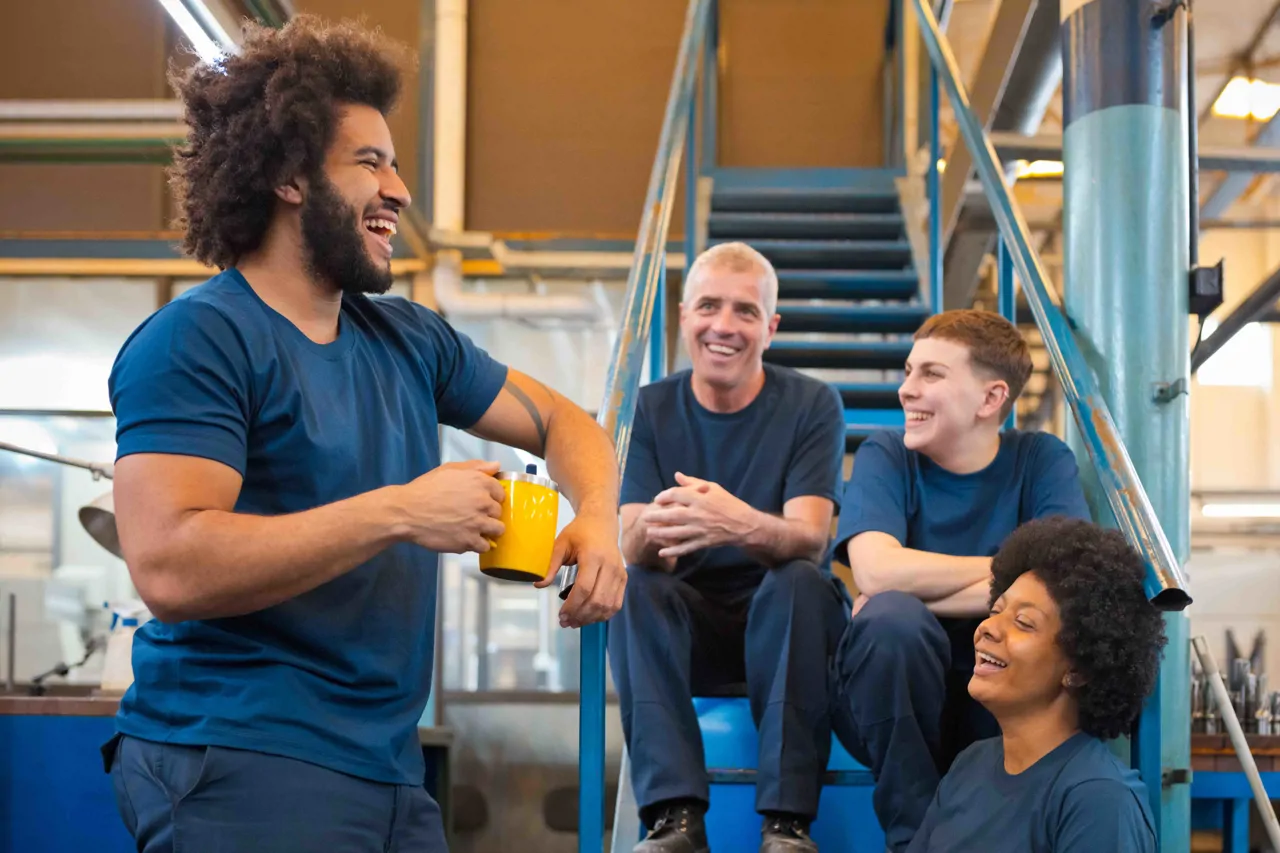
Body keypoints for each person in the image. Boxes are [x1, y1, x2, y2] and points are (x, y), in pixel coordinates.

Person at [102, 17, 625, 853]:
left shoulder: (410, 342)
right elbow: (169, 564)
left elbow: (570, 423)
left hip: (385, 766)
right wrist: (396, 513)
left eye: (395, 162)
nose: (400, 189)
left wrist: (598, 514)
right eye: (369, 162)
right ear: (288, 177)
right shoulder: (197, 341)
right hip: (240, 752)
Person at [609, 241, 850, 853]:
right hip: (689, 631)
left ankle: (786, 826)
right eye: (709, 306)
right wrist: (661, 525)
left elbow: (813, 538)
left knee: (800, 580)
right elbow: (631, 541)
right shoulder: (650, 408)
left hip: (787, 633)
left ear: (770, 329)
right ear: (684, 315)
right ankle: (675, 822)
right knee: (636, 587)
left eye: (745, 312)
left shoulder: (812, 405)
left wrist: (734, 522)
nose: (723, 326)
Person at [829, 309, 1091, 851]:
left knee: (895, 606)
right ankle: (914, 840)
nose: (906, 389)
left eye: (931, 374)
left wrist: (911, 581)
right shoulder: (887, 454)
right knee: (891, 619)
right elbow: (875, 570)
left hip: (1000, 701)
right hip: (887, 702)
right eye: (907, 371)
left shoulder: (1041, 460)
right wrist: (1013, 577)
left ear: (991, 399)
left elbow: (1067, 580)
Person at [907, 516, 1162, 852]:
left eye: (1023, 623)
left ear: (1079, 669)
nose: (988, 628)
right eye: (995, 610)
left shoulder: (1099, 798)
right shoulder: (969, 766)